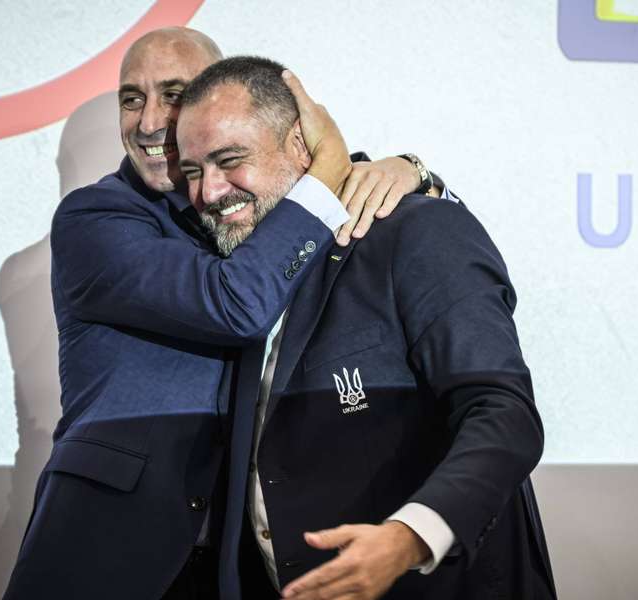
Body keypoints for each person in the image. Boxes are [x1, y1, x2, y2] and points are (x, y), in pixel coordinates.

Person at [3, 28, 440, 599]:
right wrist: (330, 169)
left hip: (241, 559)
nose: (151, 121)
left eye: (175, 94)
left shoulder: (258, 207)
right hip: (108, 545)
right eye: (131, 98)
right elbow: (238, 302)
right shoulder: (95, 219)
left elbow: (367, 204)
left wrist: (412, 171)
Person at [176, 56, 557, 600]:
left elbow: (503, 413)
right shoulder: (228, 273)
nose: (209, 192)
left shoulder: (415, 231)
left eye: (230, 160)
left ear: (301, 147)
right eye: (193, 171)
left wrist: (411, 536)